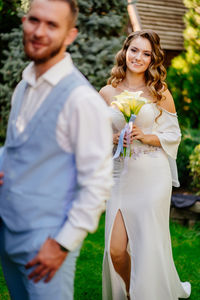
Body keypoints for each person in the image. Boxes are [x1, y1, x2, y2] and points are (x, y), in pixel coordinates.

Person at [0, 0, 113, 299]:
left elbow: (98, 184)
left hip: (47, 243)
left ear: (70, 35)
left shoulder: (82, 100)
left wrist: (62, 244)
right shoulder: (24, 84)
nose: (39, 31)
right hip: (8, 231)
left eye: (52, 25)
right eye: (34, 20)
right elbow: (19, 147)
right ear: (24, 21)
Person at [100, 30, 191, 300]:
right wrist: (113, 138)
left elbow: (173, 134)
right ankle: (129, 293)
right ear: (125, 51)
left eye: (146, 53)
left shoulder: (159, 91)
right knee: (115, 249)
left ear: (153, 59)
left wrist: (145, 136)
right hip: (121, 176)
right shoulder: (107, 92)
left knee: (148, 244)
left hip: (153, 175)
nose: (138, 57)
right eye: (134, 50)